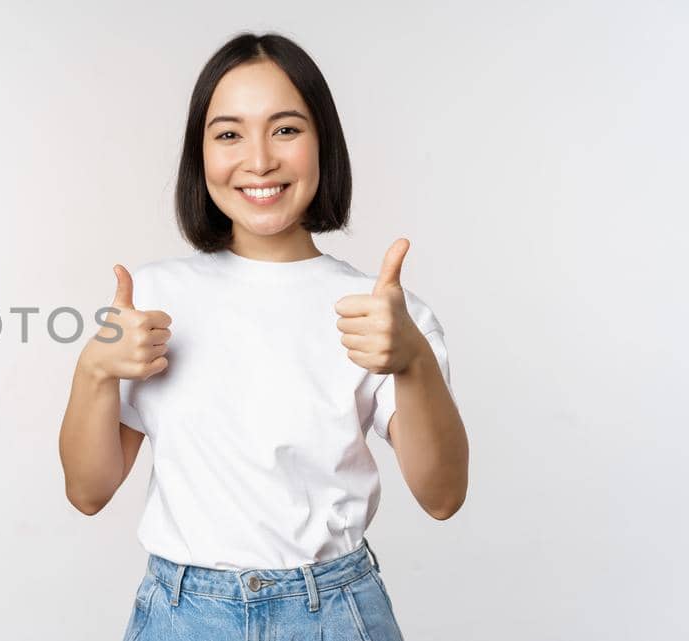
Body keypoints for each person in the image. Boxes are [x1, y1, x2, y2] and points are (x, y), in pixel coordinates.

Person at [57, 32, 469, 641]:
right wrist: (93, 371)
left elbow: (443, 496)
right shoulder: (152, 298)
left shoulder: (381, 313)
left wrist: (413, 363)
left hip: (332, 613)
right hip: (181, 615)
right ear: (200, 155)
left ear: (323, 141)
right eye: (228, 134)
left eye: (286, 129)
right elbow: (88, 492)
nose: (258, 159)